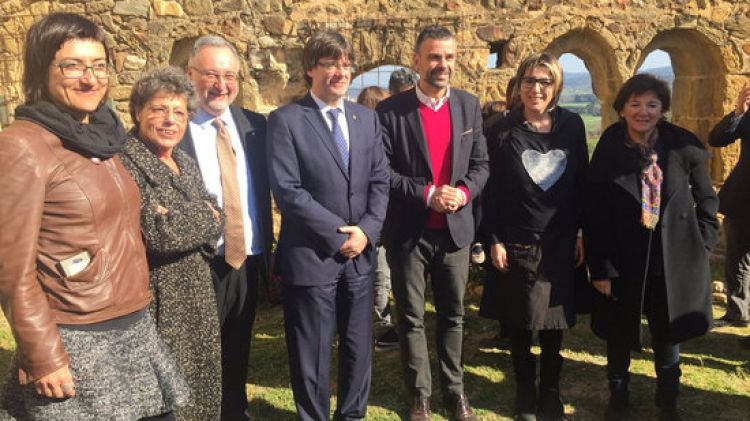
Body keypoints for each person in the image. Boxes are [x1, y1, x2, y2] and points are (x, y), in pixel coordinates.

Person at [0, 13, 188, 420]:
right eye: (73, 66)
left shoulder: (103, 135)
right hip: (77, 336)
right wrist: (44, 354)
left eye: (99, 65)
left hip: (131, 323)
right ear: (41, 69)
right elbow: (11, 269)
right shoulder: (24, 146)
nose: (90, 79)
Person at [266, 31, 389, 421]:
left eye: (345, 64)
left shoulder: (367, 119)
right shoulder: (286, 120)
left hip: (360, 256)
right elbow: (288, 190)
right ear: (310, 69)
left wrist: (366, 231)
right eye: (330, 64)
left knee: (357, 346)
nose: (339, 71)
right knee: (311, 353)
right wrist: (341, 234)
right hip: (311, 255)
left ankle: (352, 415)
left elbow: (380, 181)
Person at [586, 73, 719, 421]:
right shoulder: (610, 146)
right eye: (635, 104)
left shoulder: (681, 145)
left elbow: (707, 200)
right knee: (618, 333)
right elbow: (594, 209)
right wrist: (599, 267)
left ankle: (668, 402)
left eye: (651, 104)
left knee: (667, 333)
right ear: (622, 109)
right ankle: (618, 398)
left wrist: (702, 243)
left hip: (670, 259)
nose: (643, 111)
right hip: (622, 257)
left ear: (662, 109)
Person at [377, 25, 489, 421]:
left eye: (449, 57)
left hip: (456, 233)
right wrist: (427, 194)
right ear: (417, 60)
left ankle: (455, 394)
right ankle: (420, 396)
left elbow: (481, 166)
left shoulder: (468, 105)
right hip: (410, 231)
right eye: (434, 57)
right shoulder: (391, 111)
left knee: (453, 315)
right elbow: (384, 173)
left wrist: (463, 191)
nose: (442, 65)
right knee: (410, 316)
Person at [478, 53, 587, 421]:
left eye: (544, 81)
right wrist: (492, 238)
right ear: (519, 84)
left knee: (554, 322)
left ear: (555, 85)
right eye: (529, 80)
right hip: (515, 239)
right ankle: (526, 391)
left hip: (560, 238)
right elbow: (488, 190)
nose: (535, 88)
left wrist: (582, 230)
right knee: (520, 320)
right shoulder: (500, 128)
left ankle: (551, 391)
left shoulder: (571, 126)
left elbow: (581, 182)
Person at [120, 67, 225, 421]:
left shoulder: (183, 160)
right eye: (159, 109)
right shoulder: (125, 163)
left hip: (197, 294)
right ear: (138, 111)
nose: (170, 120)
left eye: (179, 112)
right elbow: (158, 233)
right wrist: (203, 216)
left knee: (202, 386)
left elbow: (219, 216)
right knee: (168, 400)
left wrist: (191, 217)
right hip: (160, 301)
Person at [180, 35, 273, 421]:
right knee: (195, 351)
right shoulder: (175, 127)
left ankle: (235, 409)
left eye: (230, 75)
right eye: (212, 74)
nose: (222, 85)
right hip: (197, 261)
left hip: (246, 257)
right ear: (190, 75)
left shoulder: (255, 125)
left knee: (238, 342)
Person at [356, 86, 400, 352]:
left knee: (379, 276)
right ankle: (383, 329)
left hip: (375, 219)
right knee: (380, 276)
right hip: (375, 221)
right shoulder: (373, 139)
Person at [708, 83, 750, 328]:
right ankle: (738, 313)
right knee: (737, 258)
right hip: (743, 198)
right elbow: (716, 139)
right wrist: (738, 113)